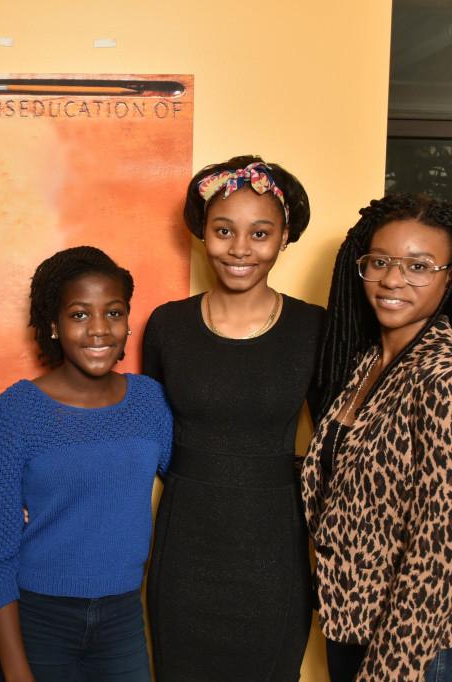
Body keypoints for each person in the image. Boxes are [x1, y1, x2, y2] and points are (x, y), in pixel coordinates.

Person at [303, 193, 452, 682]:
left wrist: (389, 670)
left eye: (419, 266)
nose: (393, 280)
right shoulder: (367, 365)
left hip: (423, 646)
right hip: (353, 627)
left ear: (451, 277)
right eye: (381, 262)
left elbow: (434, 554)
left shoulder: (449, 379)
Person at [144, 156, 320, 681]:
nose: (240, 249)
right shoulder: (167, 326)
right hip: (185, 547)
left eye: (260, 233)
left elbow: (347, 442)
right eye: (224, 231)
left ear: (284, 236)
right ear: (202, 232)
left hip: (275, 551)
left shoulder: (315, 329)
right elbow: (146, 436)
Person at [0, 246, 172, 682]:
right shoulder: (13, 414)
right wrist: (17, 669)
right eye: (79, 315)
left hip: (122, 619)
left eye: (113, 313)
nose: (99, 330)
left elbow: (195, 486)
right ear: (53, 325)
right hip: (39, 621)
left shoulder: (149, 403)